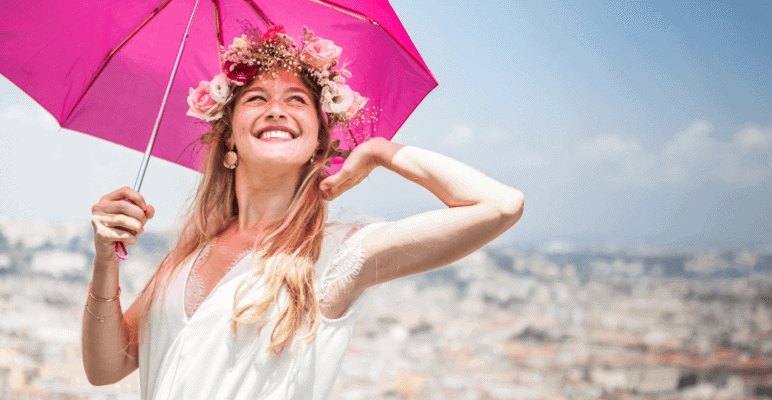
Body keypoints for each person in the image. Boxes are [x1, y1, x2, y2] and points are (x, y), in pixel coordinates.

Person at [81, 25, 524, 399]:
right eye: (255, 98)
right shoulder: (189, 253)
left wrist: (383, 151)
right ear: (229, 134)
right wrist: (105, 260)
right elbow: (106, 367)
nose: (276, 109)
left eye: (296, 100)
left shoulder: (337, 253)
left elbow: (500, 205)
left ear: (318, 141)